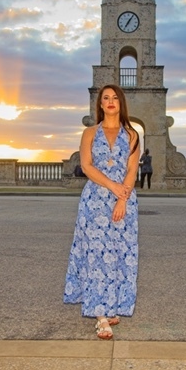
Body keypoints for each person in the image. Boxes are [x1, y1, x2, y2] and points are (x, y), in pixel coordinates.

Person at [64, 84, 140, 340]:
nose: (110, 101)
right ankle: (100, 316)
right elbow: (86, 166)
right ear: (100, 104)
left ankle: (112, 305)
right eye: (105, 98)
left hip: (124, 200)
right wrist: (112, 186)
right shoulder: (89, 133)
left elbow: (132, 170)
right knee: (96, 256)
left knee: (120, 253)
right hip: (95, 200)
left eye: (115, 97)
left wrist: (122, 199)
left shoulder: (132, 135)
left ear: (121, 103)